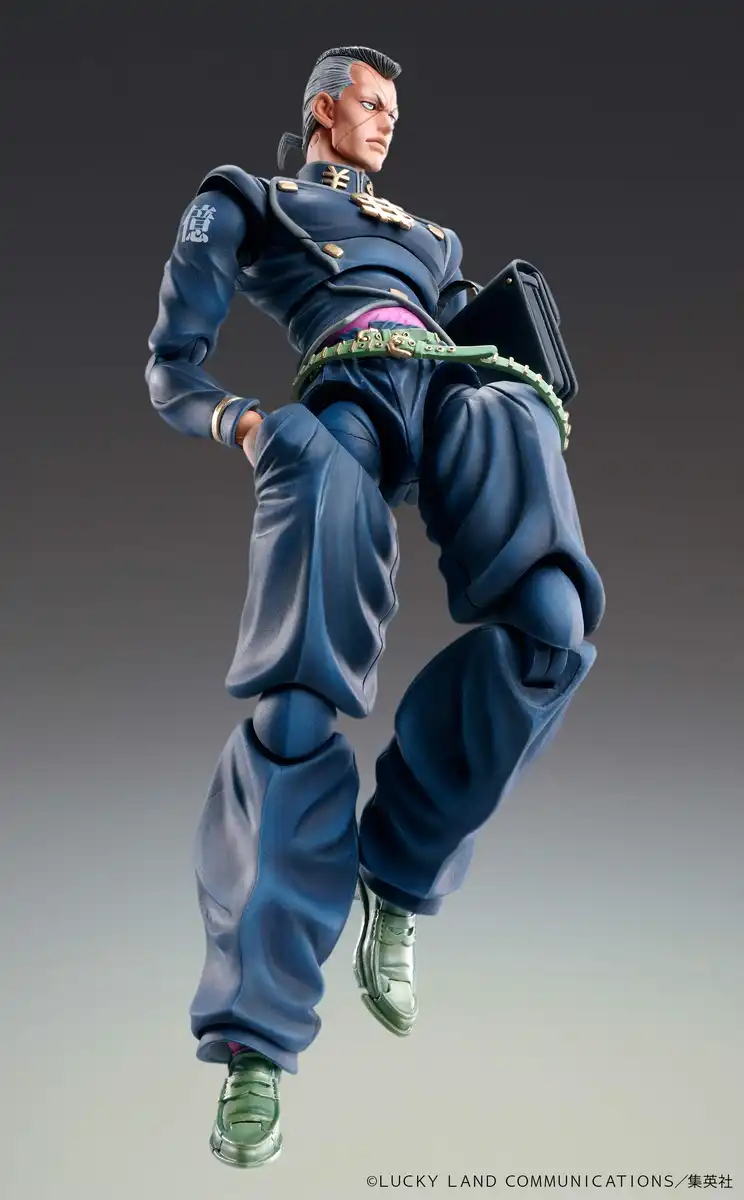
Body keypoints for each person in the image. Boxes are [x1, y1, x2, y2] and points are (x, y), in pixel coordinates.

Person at [146, 44, 605, 1169]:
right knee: (297, 702)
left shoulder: (431, 238)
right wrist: (245, 423)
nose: (389, 120)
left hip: (448, 397)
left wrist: (514, 377)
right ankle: (255, 1040)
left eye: (397, 107)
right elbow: (171, 365)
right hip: (342, 402)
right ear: (322, 108)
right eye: (372, 102)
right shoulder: (251, 201)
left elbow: (471, 334)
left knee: (553, 628)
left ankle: (396, 874)